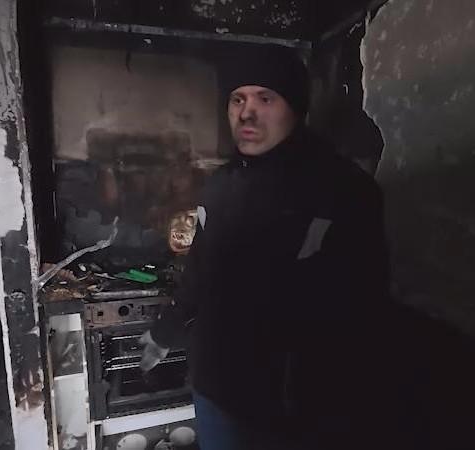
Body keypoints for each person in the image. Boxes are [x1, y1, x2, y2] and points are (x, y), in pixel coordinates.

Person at [140, 45, 412, 449]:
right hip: (214, 387)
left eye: (265, 99)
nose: (246, 114)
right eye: (238, 99)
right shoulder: (220, 187)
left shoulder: (344, 190)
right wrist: (166, 330)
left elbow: (364, 309)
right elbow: (200, 270)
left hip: (290, 407)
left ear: (295, 108)